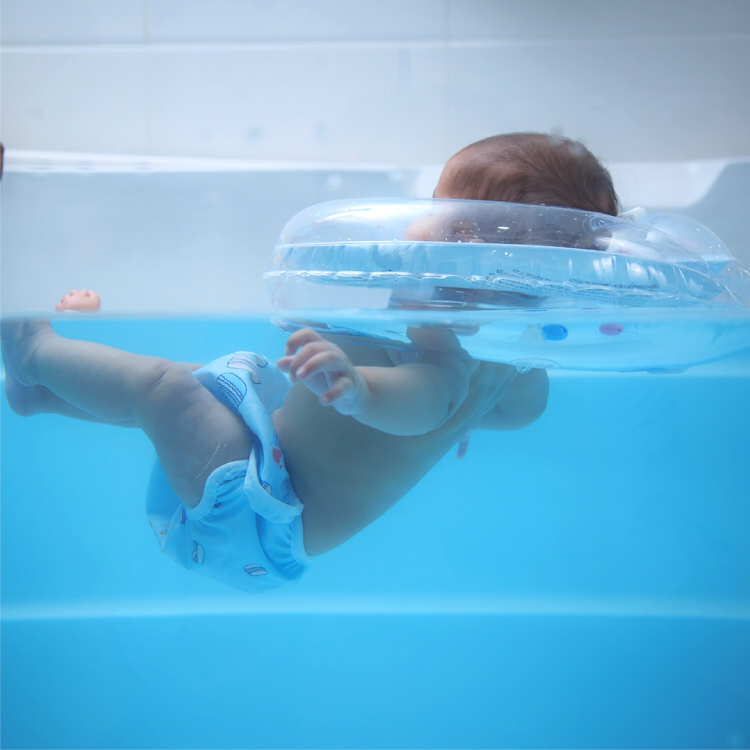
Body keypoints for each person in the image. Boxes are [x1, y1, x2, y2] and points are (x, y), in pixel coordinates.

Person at [1, 132, 618, 592]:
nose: (420, 219)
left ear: (478, 251)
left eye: (441, 210)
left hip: (269, 513)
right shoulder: (488, 348)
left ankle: (34, 352)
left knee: (165, 390)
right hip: (271, 454)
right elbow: (515, 410)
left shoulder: (450, 343)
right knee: (193, 389)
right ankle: (43, 394)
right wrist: (482, 405)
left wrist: (362, 390)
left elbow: (429, 400)